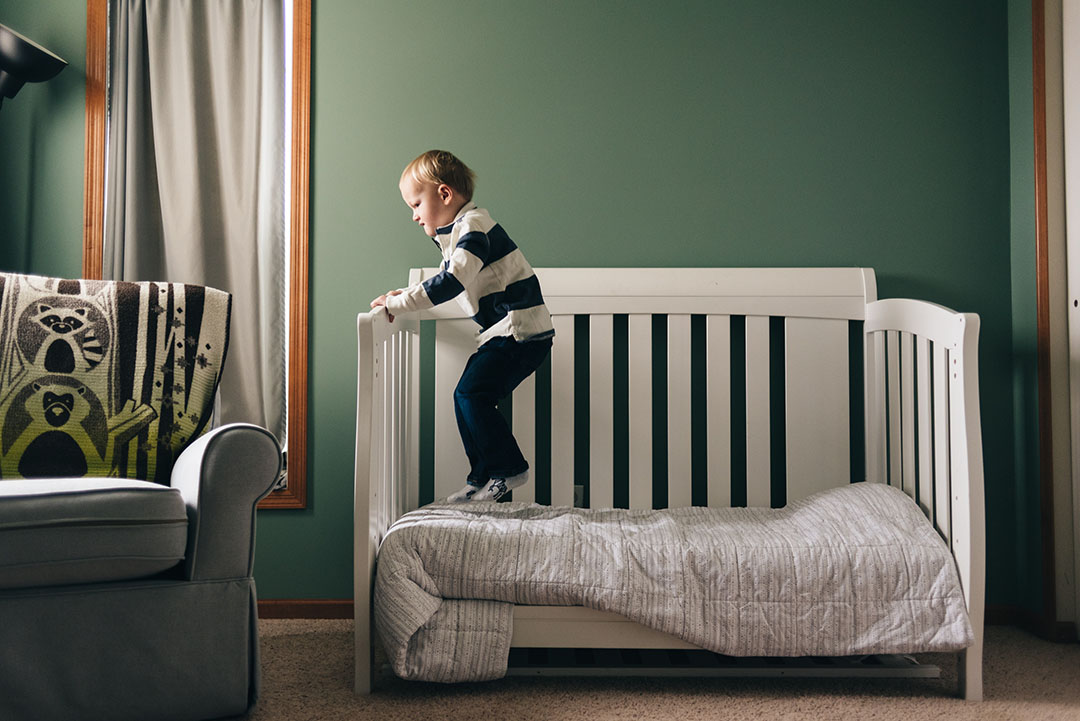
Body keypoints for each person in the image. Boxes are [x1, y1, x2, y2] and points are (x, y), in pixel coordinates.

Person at [371, 150, 554, 503]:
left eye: (415, 204)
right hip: (505, 334)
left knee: (472, 393)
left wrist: (398, 303)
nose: (413, 216)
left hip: (520, 332)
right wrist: (404, 294)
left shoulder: (473, 227)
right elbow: (445, 277)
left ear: (443, 194)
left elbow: (451, 281)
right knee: (465, 395)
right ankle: (483, 475)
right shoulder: (461, 233)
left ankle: (507, 469)